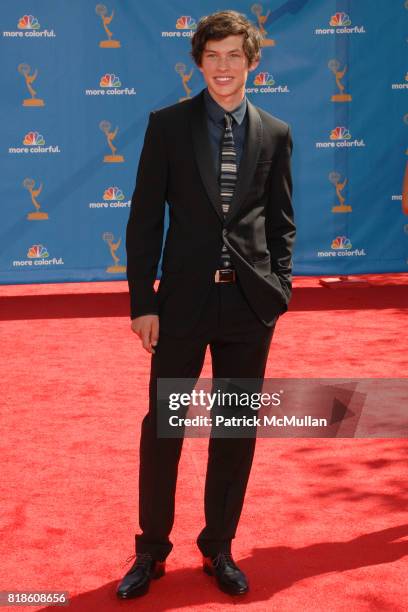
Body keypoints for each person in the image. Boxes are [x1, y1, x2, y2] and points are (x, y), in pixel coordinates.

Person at [117, 10, 296, 599]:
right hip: (181, 307)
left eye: (234, 57)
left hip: (249, 307)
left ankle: (218, 546)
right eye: (213, 56)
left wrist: (279, 290)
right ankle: (151, 550)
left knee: (235, 427)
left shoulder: (275, 132)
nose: (223, 67)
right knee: (165, 428)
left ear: (251, 63)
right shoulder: (167, 126)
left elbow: (281, 222)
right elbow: (144, 219)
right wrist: (144, 302)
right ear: (199, 62)